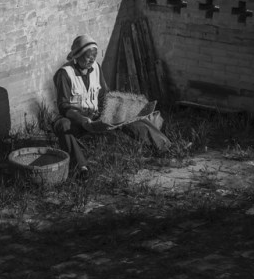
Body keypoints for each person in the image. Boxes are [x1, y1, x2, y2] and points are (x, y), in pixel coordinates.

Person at [52, 34, 171, 177]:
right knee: (62, 125)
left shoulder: (96, 67)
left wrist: (116, 109)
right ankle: (81, 168)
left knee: (128, 113)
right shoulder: (65, 74)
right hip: (76, 120)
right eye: (88, 56)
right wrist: (82, 119)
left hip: (95, 116)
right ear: (77, 55)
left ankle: (164, 146)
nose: (92, 60)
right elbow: (63, 106)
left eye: (94, 56)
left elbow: (103, 95)